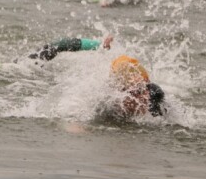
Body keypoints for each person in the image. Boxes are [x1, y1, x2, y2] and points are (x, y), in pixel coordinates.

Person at [29, 36, 165, 118]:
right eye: (135, 94)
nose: (137, 100)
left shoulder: (153, 101)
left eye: (141, 93)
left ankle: (104, 47)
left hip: (129, 68)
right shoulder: (105, 98)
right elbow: (74, 114)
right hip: (118, 69)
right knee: (61, 44)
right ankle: (32, 59)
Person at [28, 35, 114, 60]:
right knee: (41, 57)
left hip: (63, 42)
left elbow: (109, 37)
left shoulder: (97, 43)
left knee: (41, 52)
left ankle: (25, 59)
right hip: (67, 44)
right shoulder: (101, 46)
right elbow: (109, 38)